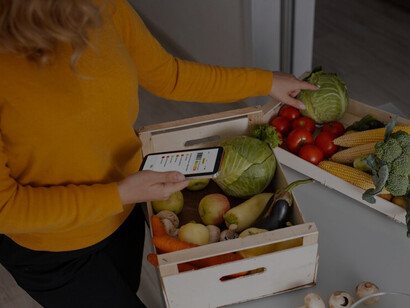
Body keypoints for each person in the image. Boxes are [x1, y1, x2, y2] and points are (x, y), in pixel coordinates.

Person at [0, 0, 318, 307]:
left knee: (127, 287)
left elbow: (168, 75)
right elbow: (5, 207)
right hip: (51, 251)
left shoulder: (102, 6)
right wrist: (120, 192)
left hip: (123, 216)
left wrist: (265, 80)